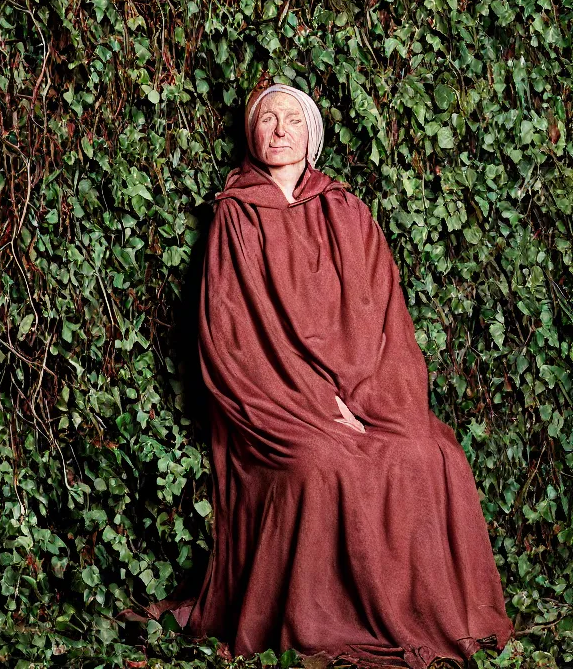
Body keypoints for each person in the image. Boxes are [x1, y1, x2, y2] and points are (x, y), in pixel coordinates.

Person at [178, 82, 515, 668]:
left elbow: (383, 318)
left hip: (366, 392)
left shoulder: (348, 211)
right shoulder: (234, 218)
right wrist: (316, 404)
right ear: (251, 135)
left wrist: (368, 397)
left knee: (427, 453)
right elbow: (232, 339)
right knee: (323, 466)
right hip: (280, 405)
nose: (280, 130)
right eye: (267, 119)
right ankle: (323, 626)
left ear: (312, 138)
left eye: (292, 120)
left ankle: (428, 615)